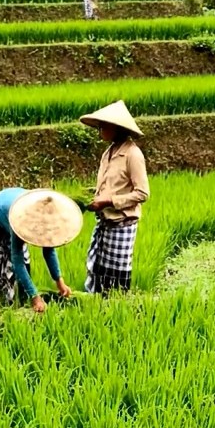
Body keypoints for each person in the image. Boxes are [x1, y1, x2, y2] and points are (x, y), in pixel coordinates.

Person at [80, 99, 149, 295]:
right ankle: (99, 312)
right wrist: (93, 195)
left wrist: (108, 201)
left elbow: (143, 193)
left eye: (104, 126)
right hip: (105, 222)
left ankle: (115, 314)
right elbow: (111, 185)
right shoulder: (108, 152)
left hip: (122, 224)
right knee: (99, 273)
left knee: (116, 280)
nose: (99, 129)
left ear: (117, 128)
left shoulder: (133, 154)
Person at [0, 187, 80, 313]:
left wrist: (60, 282)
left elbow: (49, 251)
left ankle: (22, 305)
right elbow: (17, 260)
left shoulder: (46, 218)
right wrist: (35, 296)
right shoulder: (21, 218)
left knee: (26, 268)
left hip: (10, 210)